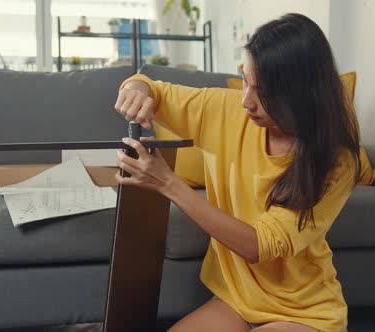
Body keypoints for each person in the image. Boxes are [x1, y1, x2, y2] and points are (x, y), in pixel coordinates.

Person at [113, 13, 359, 332]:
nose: (246, 101)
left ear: (300, 93)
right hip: (236, 299)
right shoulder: (227, 109)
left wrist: (168, 183)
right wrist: (136, 91)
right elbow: (151, 88)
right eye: (245, 80)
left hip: (302, 312)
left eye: (263, 92)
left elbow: (257, 245)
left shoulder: (336, 162)